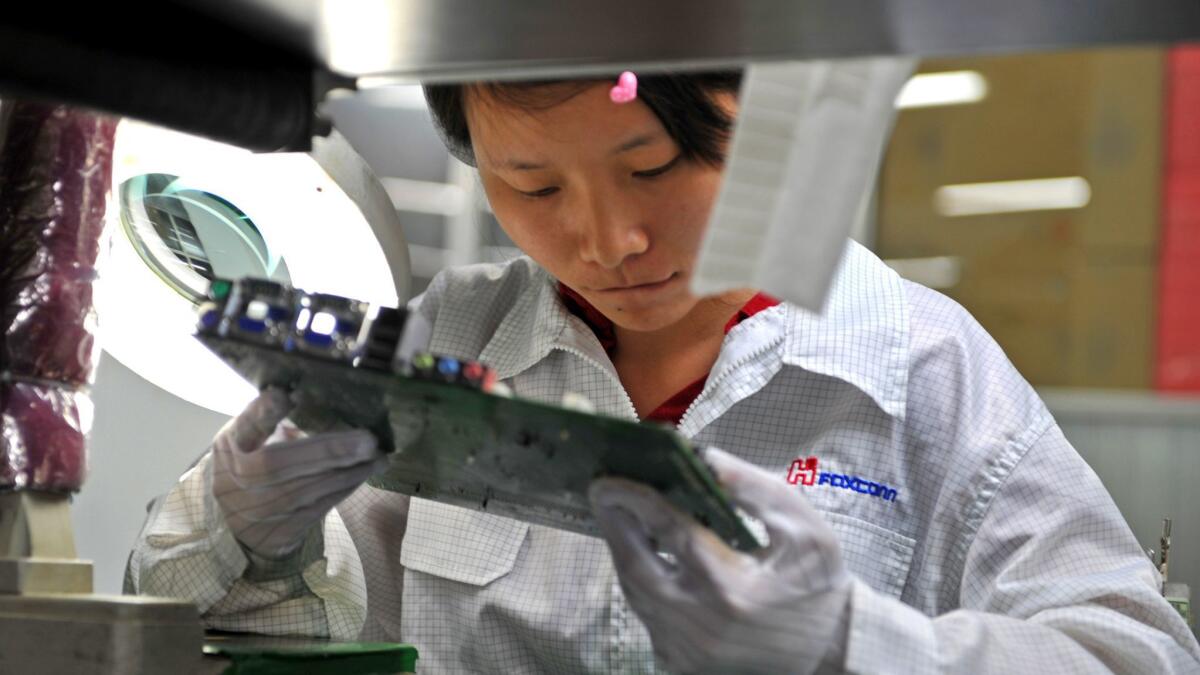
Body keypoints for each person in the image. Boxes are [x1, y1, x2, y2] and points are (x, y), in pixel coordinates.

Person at [126, 71, 1200, 673]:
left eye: (657, 168)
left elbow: (1135, 656)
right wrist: (245, 528)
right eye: (532, 187)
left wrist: (846, 644)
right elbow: (267, 638)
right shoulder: (449, 338)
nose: (611, 241)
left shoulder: (922, 365)